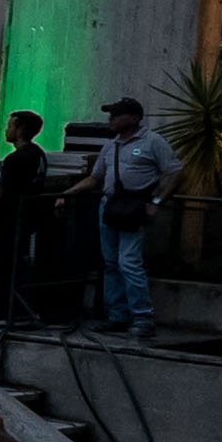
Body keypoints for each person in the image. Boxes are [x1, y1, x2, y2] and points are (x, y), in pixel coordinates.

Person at [85, 90, 171, 335]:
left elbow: (174, 172)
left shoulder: (153, 141)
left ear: (133, 118)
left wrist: (155, 201)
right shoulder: (111, 145)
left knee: (128, 261)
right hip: (110, 205)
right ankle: (117, 314)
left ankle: (142, 316)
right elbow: (96, 177)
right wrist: (68, 192)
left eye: (116, 115)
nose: (111, 119)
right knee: (111, 262)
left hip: (133, 207)